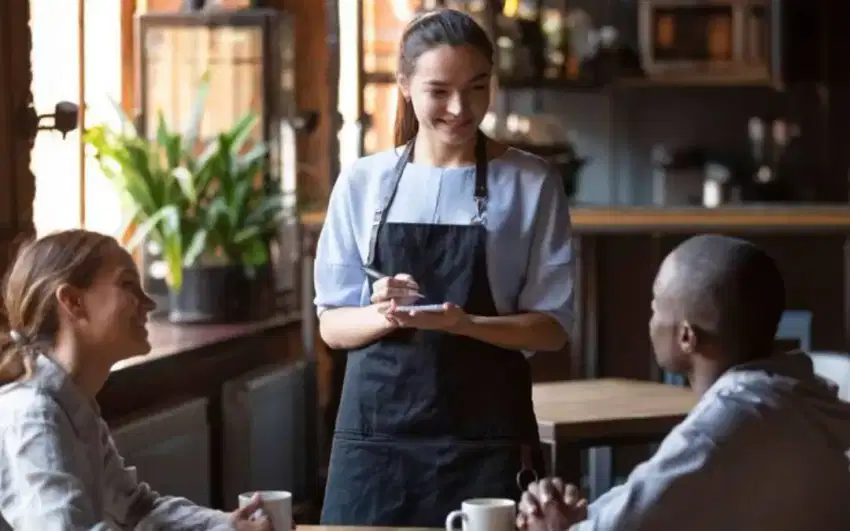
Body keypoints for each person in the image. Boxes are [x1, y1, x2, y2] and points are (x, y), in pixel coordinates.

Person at [314, 8, 574, 527]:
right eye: (440, 91)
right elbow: (332, 324)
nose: (461, 108)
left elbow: (552, 329)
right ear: (405, 86)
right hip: (376, 449)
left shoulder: (530, 182)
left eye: (477, 88)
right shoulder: (362, 183)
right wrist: (383, 313)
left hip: (486, 443)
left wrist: (466, 324)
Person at [518, 234, 850, 531]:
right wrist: (577, 511)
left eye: (655, 307)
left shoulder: (723, 426)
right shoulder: (799, 400)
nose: (650, 321)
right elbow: (640, 502)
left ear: (687, 336)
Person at [0, 230, 272, 530]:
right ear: (73, 301)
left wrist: (225, 526)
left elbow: (137, 510)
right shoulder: (33, 416)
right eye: (128, 285)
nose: (149, 303)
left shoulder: (74, 403)